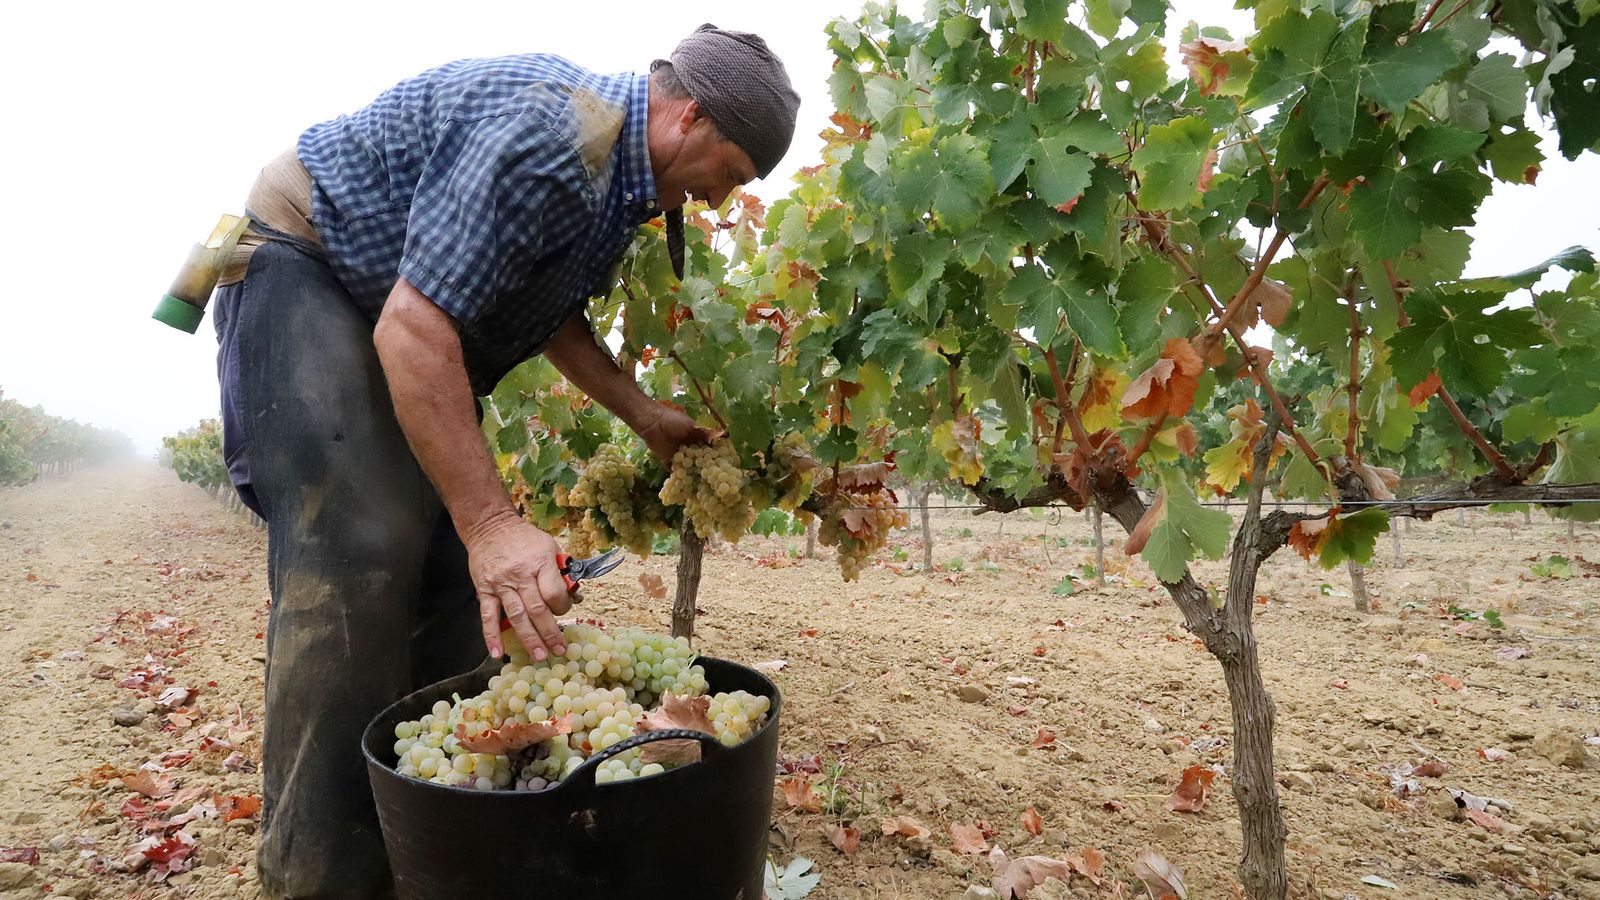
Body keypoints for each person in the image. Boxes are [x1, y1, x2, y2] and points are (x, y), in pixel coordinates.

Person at [209, 24, 798, 898]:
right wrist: (490, 521)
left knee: (454, 587)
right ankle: (318, 870)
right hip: (310, 264)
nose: (720, 199)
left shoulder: (617, 185)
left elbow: (551, 314)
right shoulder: (557, 141)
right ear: (692, 117)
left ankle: (425, 847)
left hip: (387, 306)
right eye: (734, 173)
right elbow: (413, 328)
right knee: (363, 553)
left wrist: (643, 416)